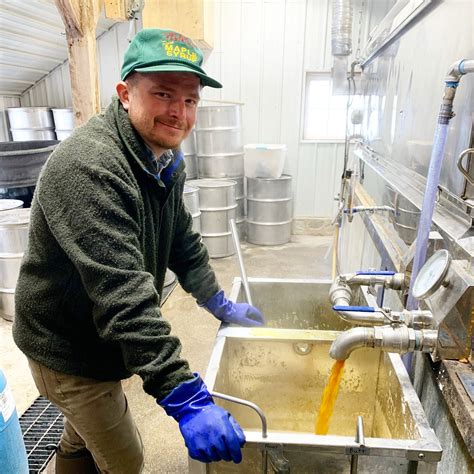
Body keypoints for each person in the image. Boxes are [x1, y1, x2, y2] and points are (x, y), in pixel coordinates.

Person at [13, 28, 264, 473]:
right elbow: (124, 300)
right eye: (164, 94)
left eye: (190, 100)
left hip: (99, 337)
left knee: (83, 432)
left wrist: (215, 299)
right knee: (125, 458)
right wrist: (185, 395)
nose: (179, 113)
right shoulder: (89, 168)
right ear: (125, 94)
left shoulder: (165, 159)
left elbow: (181, 239)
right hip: (67, 347)